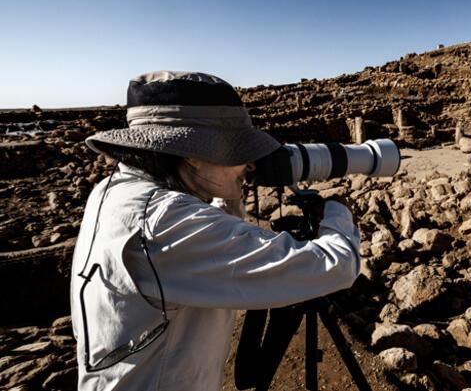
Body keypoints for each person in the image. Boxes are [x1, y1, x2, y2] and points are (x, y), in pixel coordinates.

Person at [70, 71, 361, 390]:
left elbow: (206, 226)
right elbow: (336, 266)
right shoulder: (165, 221)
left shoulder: (114, 191)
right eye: (238, 152)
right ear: (192, 154)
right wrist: (337, 212)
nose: (249, 165)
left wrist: (226, 183)